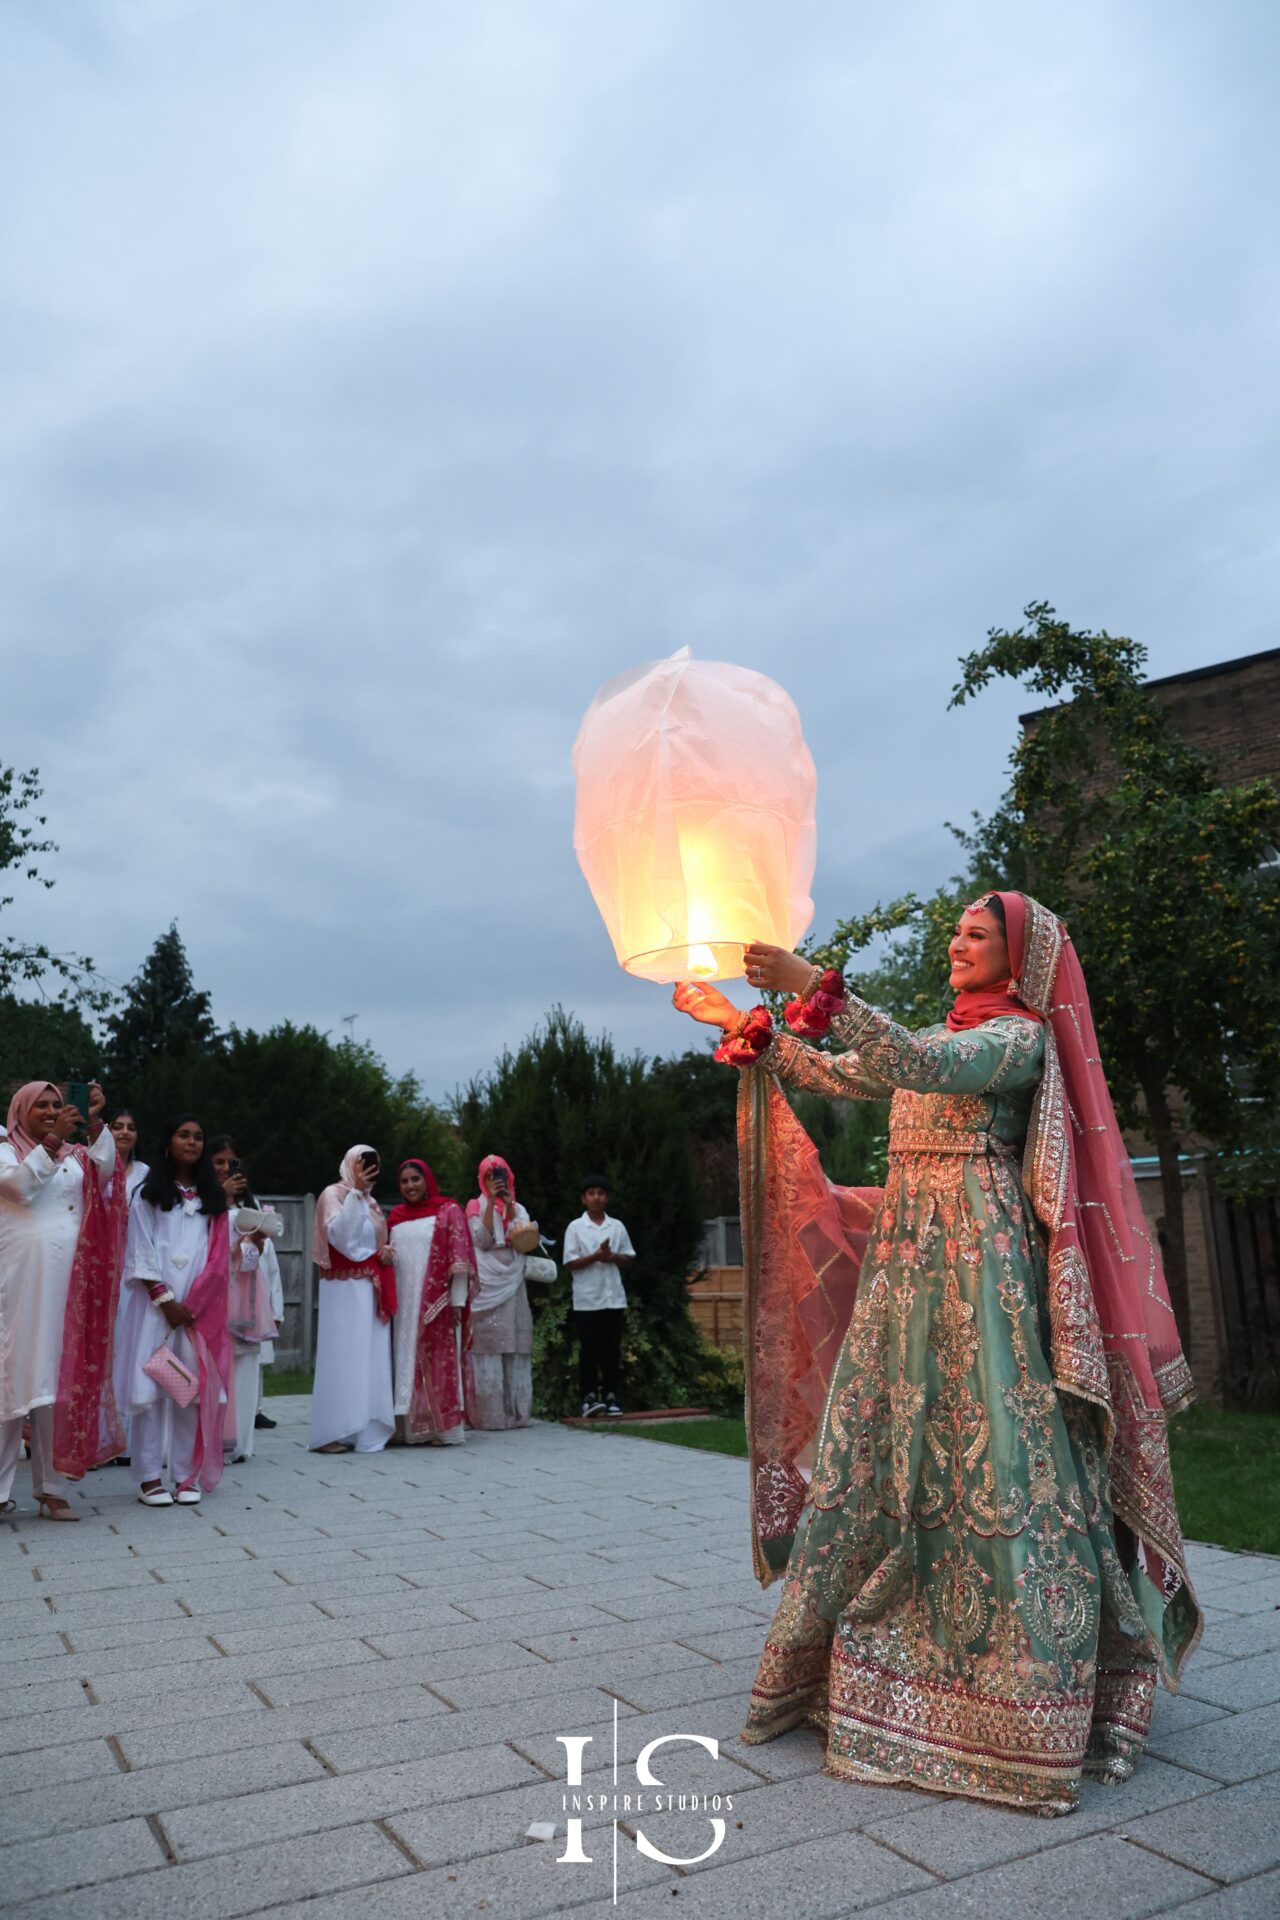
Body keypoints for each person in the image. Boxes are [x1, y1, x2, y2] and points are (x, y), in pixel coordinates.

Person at [673, 891, 1201, 1817]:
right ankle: (873, 1664)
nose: (957, 942)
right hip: (908, 1256)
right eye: (955, 930)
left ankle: (1022, 1700)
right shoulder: (945, 1031)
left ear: (1021, 957)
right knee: (882, 1436)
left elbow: (915, 1060)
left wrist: (813, 986)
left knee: (996, 1446)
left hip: (979, 1262)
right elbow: (851, 1074)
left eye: (977, 933)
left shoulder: (1017, 1040)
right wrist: (744, 1022)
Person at [0, 1081, 124, 1519]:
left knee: (57, 1382)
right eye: (42, 1106)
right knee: (12, 1380)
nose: (52, 1111)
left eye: (58, 1105)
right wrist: (51, 1144)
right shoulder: (6, 1150)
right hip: (20, 1287)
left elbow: (107, 1169)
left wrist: (91, 1122)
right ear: (21, 1111)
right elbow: (18, 1189)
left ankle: (51, 1490)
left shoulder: (75, 1156)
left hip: (70, 1286)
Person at [114, 1115, 232, 1507]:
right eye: (184, 1135)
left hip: (197, 1311)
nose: (193, 1142)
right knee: (150, 1389)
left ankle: (185, 1474)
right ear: (168, 1144)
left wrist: (191, 1305)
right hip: (156, 1308)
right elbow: (139, 1249)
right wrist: (165, 1300)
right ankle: (149, 1476)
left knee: (189, 1391)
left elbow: (217, 1260)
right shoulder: (148, 1194)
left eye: (199, 1136)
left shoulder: (212, 1202)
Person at [309, 1145, 395, 1454]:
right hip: (343, 1291)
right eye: (361, 1164)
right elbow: (343, 1240)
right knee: (345, 1355)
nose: (367, 1170)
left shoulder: (371, 1202)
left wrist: (384, 1252)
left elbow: (371, 1243)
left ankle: (367, 1428)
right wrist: (356, 1193)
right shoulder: (333, 1195)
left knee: (371, 1354)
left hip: (370, 1287)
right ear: (349, 1164)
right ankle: (332, 1430)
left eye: (372, 1165)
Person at [388, 1158, 477, 1445]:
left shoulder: (448, 1210)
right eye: (404, 1181)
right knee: (404, 1358)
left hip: (438, 1303)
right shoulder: (395, 1218)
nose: (410, 1185)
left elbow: (459, 1258)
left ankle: (444, 1429)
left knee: (439, 1360)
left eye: (416, 1179)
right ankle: (408, 1428)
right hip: (402, 1304)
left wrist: (457, 1302)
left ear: (427, 1180)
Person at [208, 1136, 282, 1464]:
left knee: (246, 1370)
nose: (226, 1168)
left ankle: (241, 1443)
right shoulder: (200, 1206)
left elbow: (257, 1264)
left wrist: (256, 1244)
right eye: (219, 1162)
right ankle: (213, 1440)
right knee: (216, 1371)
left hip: (246, 1301)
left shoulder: (250, 1210)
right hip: (212, 1300)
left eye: (231, 1162)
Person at [466, 1155, 534, 1429]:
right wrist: (491, 1203)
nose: (496, 1181)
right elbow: (480, 1240)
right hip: (486, 1279)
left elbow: (524, 1240)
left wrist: (509, 1208)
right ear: (483, 1179)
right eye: (491, 1176)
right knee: (487, 1346)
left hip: (513, 1278)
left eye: (501, 1174)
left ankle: (518, 1413)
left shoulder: (518, 1207)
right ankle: (490, 1415)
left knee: (514, 1345)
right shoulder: (474, 1204)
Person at [563, 1175, 635, 1418]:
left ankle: (612, 1396)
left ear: (607, 1197)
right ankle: (589, 1397)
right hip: (587, 1300)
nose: (596, 1197)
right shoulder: (575, 1227)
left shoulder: (616, 1226)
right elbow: (570, 1262)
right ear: (584, 1198)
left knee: (611, 1350)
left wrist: (611, 1256)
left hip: (613, 1297)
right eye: (591, 1193)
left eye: (601, 1193)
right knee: (590, 1350)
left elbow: (628, 1258)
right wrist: (596, 1256)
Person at [109, 1109, 149, 1205]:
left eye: (131, 1128)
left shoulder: (145, 1173)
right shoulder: (94, 1168)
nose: (125, 1132)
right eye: (118, 1127)